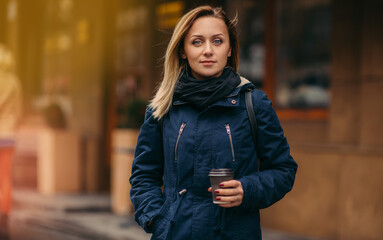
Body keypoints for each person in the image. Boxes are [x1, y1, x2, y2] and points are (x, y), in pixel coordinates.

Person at [130, 5, 297, 240]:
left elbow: (283, 170)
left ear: (229, 49)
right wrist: (158, 220)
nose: (208, 50)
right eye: (197, 42)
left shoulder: (254, 104)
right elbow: (143, 175)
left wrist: (246, 190)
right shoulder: (162, 108)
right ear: (182, 51)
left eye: (217, 41)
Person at [0, 44, 22, 238]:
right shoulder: (14, 81)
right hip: (9, 136)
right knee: (5, 178)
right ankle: (4, 221)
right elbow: (19, 110)